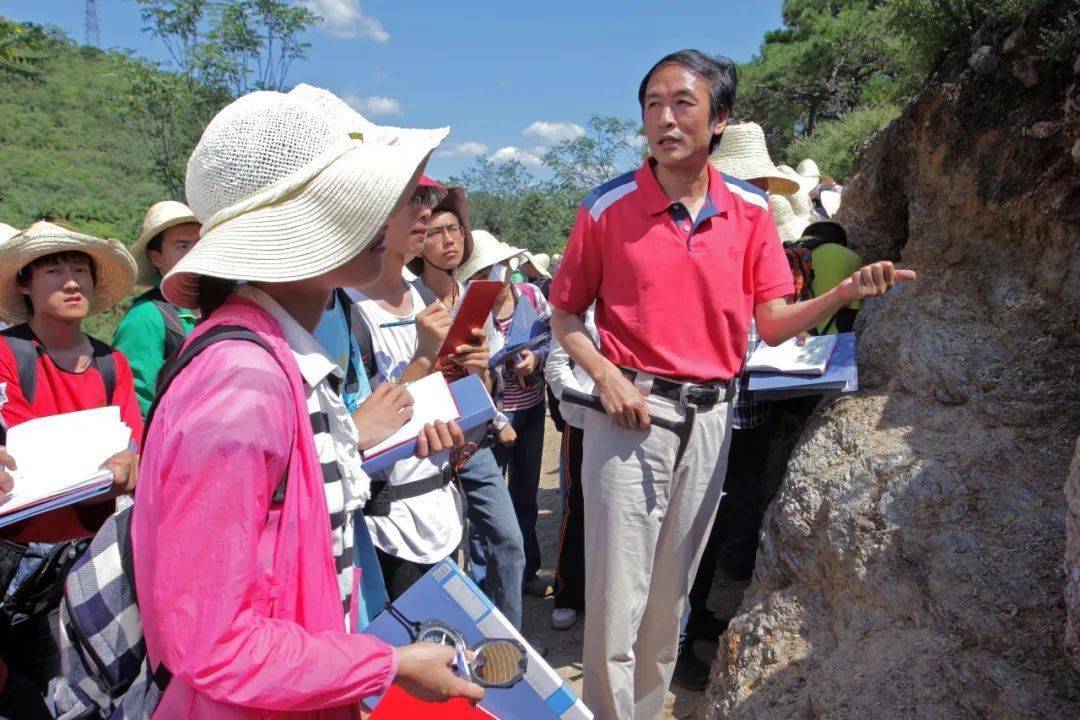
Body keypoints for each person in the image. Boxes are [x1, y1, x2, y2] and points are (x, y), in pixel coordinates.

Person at [549, 49, 916, 719]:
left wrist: (843, 291)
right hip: (631, 418)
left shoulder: (749, 211)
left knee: (669, 603)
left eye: (682, 103)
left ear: (719, 120)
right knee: (615, 604)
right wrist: (604, 377)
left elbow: (772, 325)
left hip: (713, 419)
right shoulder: (606, 208)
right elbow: (565, 312)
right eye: (653, 104)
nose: (665, 118)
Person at [131, 87, 484, 717]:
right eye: (366, 202)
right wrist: (389, 664)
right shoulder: (241, 387)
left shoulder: (275, 360)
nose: (397, 223)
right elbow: (214, 643)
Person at [0, 220, 142, 715]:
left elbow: (135, 443)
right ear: (24, 284)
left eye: (79, 269)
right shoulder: (7, 355)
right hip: (20, 555)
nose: (71, 281)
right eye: (54, 270)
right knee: (34, 680)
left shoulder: (112, 364)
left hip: (93, 552)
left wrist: (134, 460)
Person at [350, 174, 491, 601]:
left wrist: (473, 373)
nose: (425, 211)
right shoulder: (343, 308)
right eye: (410, 199)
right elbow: (353, 434)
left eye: (427, 199)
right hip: (384, 525)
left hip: (443, 506)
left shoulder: (425, 297)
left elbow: (456, 406)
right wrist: (425, 358)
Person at [406, 187, 528, 629]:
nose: (448, 240)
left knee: (509, 541)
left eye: (454, 229)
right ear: (419, 243)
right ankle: (455, 644)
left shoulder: (476, 297)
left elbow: (488, 377)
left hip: (473, 440)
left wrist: (483, 372)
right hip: (427, 444)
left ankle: (509, 642)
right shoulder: (409, 303)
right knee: (446, 553)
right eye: (436, 231)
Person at [456, 231, 553, 598]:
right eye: (479, 273)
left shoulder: (531, 296)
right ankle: (484, 587)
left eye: (492, 269)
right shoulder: (468, 312)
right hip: (490, 421)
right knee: (487, 511)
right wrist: (498, 421)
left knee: (525, 496)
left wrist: (536, 358)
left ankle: (524, 574)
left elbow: (551, 337)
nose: (489, 278)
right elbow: (465, 376)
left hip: (531, 413)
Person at [112, 201, 200, 415]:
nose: (195, 252)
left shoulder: (221, 306)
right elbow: (138, 402)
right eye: (182, 246)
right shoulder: (146, 318)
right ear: (156, 258)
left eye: (200, 243)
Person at [543, 305, 598, 631]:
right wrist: (586, 404)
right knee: (577, 506)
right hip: (583, 419)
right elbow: (556, 363)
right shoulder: (581, 304)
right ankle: (568, 594)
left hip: (632, 421)